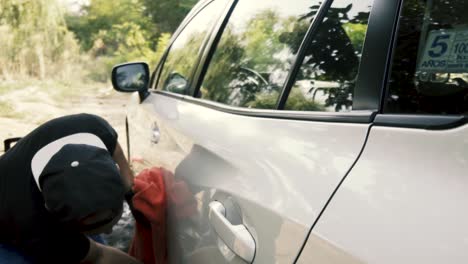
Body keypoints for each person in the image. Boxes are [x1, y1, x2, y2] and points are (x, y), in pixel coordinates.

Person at [0, 113, 141, 263]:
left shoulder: (94, 128)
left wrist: (132, 196)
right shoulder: (35, 225)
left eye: (111, 219)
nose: (109, 231)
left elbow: (118, 157)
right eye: (96, 226)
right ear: (51, 211)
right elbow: (99, 256)